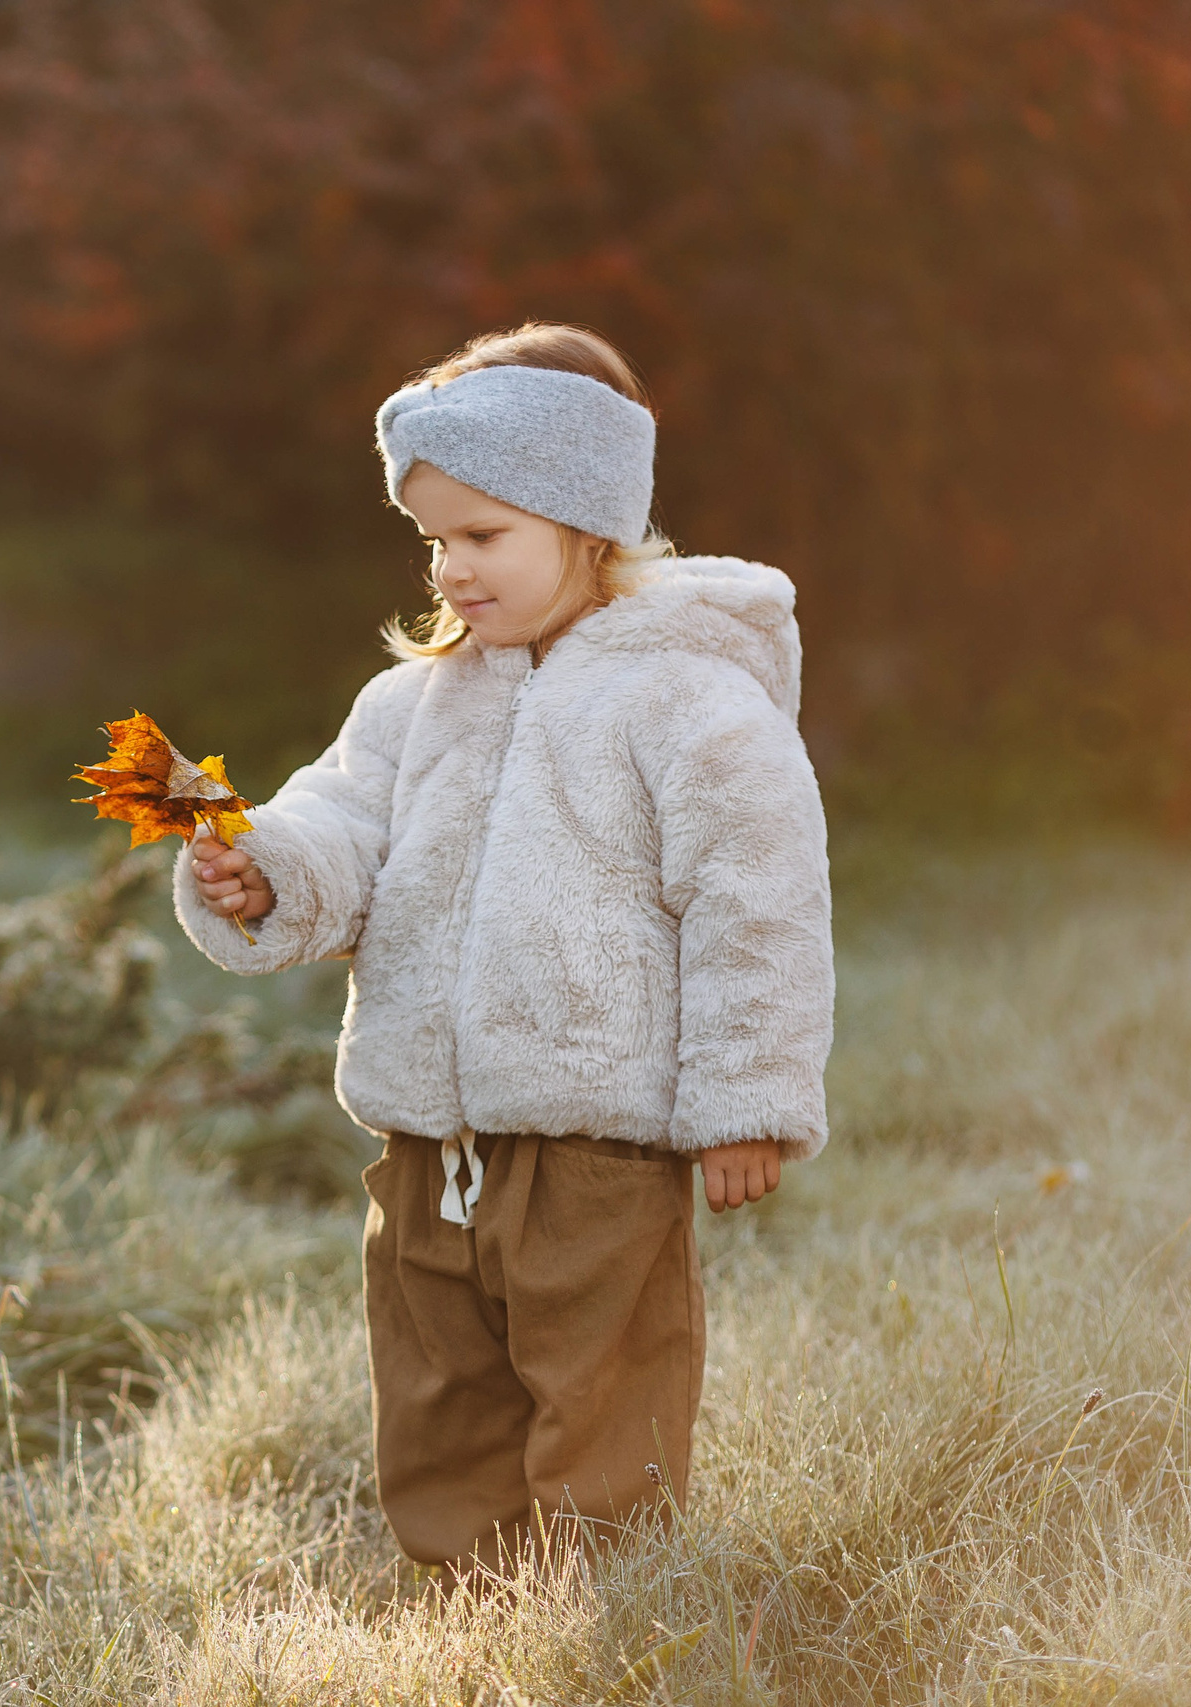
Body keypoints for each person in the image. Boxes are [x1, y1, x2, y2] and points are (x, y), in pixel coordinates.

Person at [176, 322, 833, 1574]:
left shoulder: (687, 701)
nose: (451, 570)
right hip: (429, 1141)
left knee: (601, 1397)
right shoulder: (411, 702)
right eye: (433, 540)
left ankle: (608, 1608)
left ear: (587, 522)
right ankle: (466, 1613)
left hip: (597, 1146)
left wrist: (747, 1101)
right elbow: (341, 826)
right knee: (436, 1395)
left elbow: (760, 906)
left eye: (484, 536)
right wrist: (263, 868)